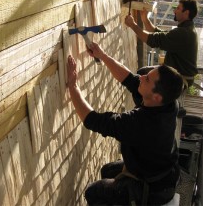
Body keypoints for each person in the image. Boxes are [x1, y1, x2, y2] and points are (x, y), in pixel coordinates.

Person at [67, 42, 184, 205]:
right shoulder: (168, 103)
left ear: (157, 96)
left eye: (147, 79)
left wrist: (72, 86)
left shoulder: (141, 124)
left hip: (152, 193)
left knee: (93, 191)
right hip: (160, 172)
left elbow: (92, 120)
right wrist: (102, 55)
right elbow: (129, 79)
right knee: (107, 170)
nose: (142, 77)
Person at [125, 0, 198, 87]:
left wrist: (132, 25)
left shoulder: (183, 33)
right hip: (175, 73)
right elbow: (159, 34)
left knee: (141, 79)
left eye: (178, 8)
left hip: (181, 78)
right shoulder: (187, 29)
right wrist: (145, 19)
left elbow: (152, 40)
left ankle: (149, 100)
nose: (175, 11)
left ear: (186, 13)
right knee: (142, 73)